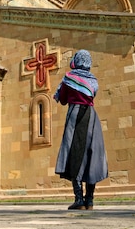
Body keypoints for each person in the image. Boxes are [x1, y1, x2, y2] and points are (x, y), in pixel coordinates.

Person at [54, 50, 108, 210]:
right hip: (92, 117)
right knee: (92, 154)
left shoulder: (69, 78)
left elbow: (62, 99)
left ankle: (79, 199)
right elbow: (93, 94)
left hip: (75, 116)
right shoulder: (93, 80)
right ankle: (89, 200)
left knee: (74, 153)